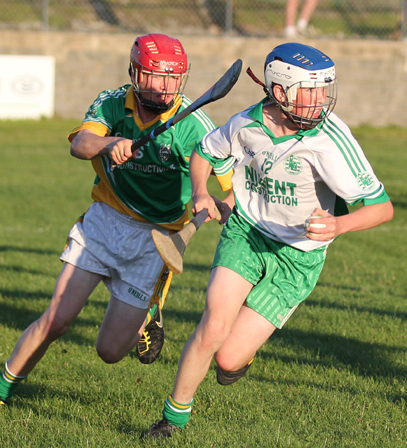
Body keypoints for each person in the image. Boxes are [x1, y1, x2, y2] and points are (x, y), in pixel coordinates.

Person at [146, 42, 394, 438]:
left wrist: (338, 226)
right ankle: (171, 420)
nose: (320, 101)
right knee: (212, 327)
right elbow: (205, 153)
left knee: (228, 360)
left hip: (298, 258)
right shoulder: (246, 124)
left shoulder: (332, 139)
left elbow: (382, 207)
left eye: (323, 90)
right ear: (279, 92)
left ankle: (239, 358)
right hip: (247, 233)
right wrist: (200, 192)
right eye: (309, 91)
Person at [0, 33, 227, 411]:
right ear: (135, 73)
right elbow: (80, 145)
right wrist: (109, 144)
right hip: (104, 221)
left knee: (109, 352)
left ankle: (150, 311)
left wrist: (211, 200)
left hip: (156, 238)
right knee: (57, 319)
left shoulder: (195, 124)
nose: (163, 88)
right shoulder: (112, 104)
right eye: (155, 77)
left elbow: (230, 189)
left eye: (173, 78)